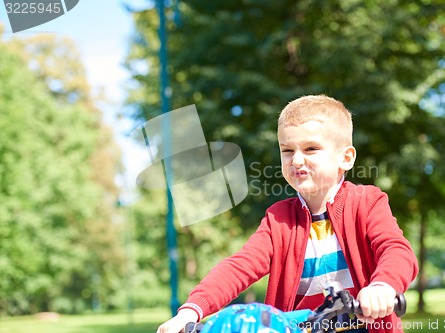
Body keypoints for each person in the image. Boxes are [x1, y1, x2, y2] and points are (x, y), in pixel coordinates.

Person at [156, 94, 419, 333]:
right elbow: (239, 266)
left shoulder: (367, 202)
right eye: (287, 150)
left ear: (346, 158)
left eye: (311, 149)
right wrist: (191, 310)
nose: (296, 160)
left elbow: (395, 249)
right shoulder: (278, 218)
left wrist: (383, 286)